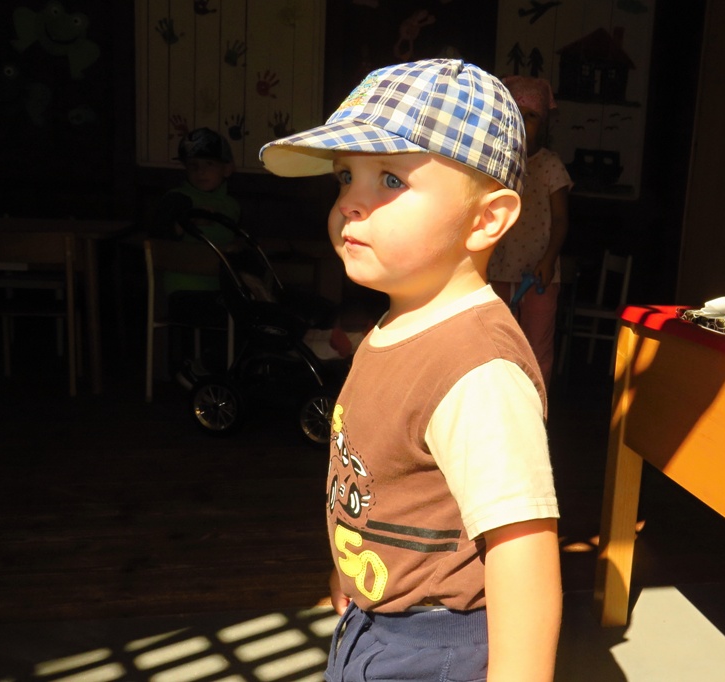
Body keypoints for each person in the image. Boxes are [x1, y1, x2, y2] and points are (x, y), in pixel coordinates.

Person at [260, 59, 561, 681]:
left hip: (435, 644)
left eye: (390, 179)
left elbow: (524, 555)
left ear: (487, 219)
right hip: (380, 620)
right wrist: (350, 570)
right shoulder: (397, 324)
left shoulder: (478, 369)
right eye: (345, 177)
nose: (350, 203)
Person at [488, 76, 572, 390]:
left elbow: (561, 219)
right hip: (498, 269)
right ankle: (499, 406)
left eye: (532, 116)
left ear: (544, 123)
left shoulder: (551, 165)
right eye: (517, 114)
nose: (523, 123)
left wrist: (549, 260)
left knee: (537, 348)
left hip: (540, 276)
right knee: (496, 345)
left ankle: (536, 409)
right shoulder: (496, 163)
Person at [150, 127, 239, 382]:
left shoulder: (232, 206)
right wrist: (185, 223)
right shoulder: (178, 199)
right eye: (193, 165)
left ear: (227, 169)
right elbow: (158, 235)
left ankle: (223, 375)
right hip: (184, 292)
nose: (200, 171)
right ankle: (197, 370)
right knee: (236, 316)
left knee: (253, 313)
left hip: (223, 290)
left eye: (209, 164)